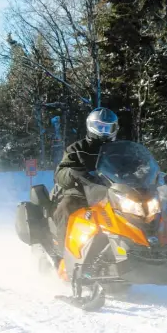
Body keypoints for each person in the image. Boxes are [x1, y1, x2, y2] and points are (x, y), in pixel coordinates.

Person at [51, 107, 119, 252]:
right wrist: (71, 172)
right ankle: (64, 253)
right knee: (66, 207)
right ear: (91, 126)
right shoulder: (77, 148)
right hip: (81, 193)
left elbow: (132, 167)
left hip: (113, 194)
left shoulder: (118, 150)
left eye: (108, 128)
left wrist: (145, 173)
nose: (104, 132)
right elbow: (60, 173)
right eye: (100, 127)